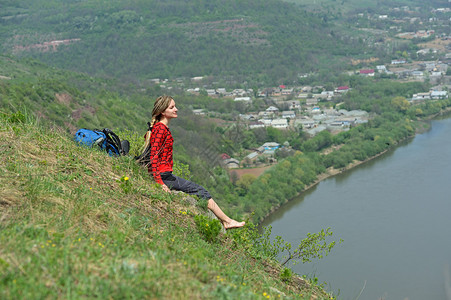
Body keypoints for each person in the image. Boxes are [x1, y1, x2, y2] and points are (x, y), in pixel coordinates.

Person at [147, 95, 245, 229]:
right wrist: (159, 183)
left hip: (166, 175)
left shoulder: (161, 128)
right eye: (172, 107)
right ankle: (227, 221)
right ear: (162, 111)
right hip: (164, 176)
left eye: (175, 106)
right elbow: (153, 155)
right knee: (201, 192)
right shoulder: (160, 129)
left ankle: (227, 221)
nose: (176, 109)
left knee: (200, 190)